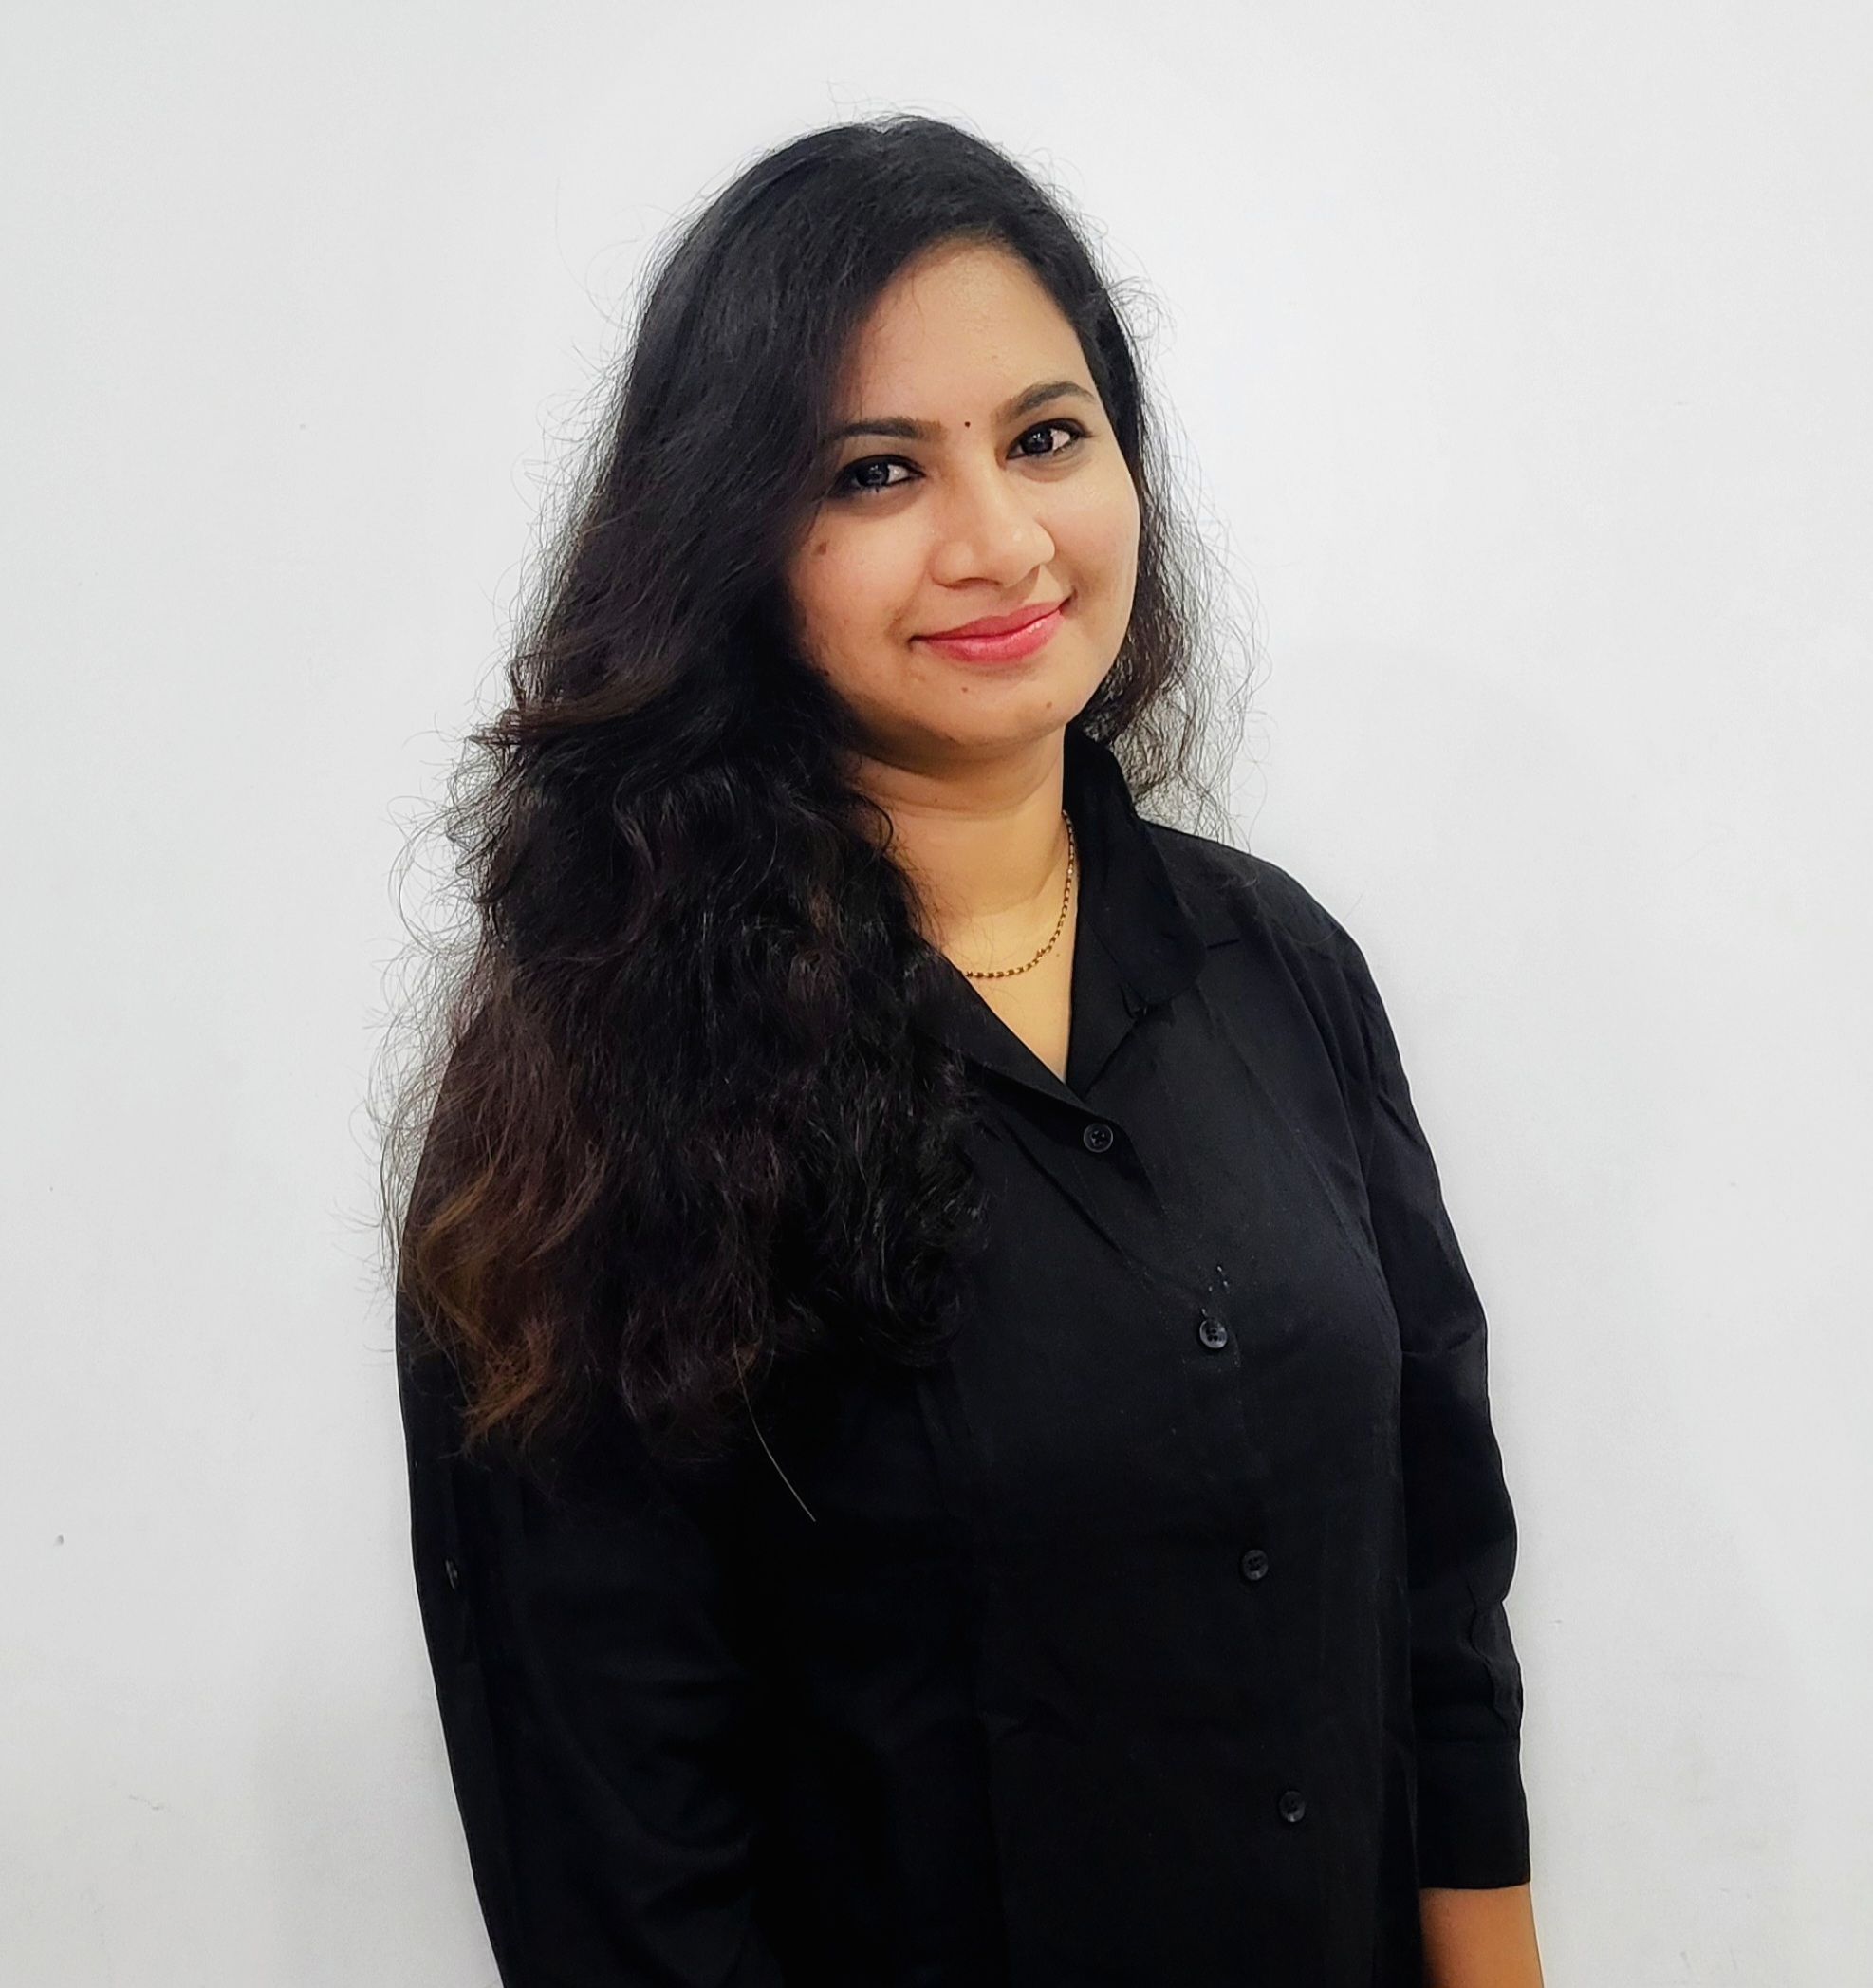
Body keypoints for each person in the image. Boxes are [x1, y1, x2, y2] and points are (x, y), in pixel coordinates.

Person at [388, 114, 1543, 1988]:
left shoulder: (1281, 966)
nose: (1000, 539)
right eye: (873, 470)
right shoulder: (597, 1075)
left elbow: (1435, 1573)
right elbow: (614, 1829)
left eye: (1045, 436)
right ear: (732, 539)